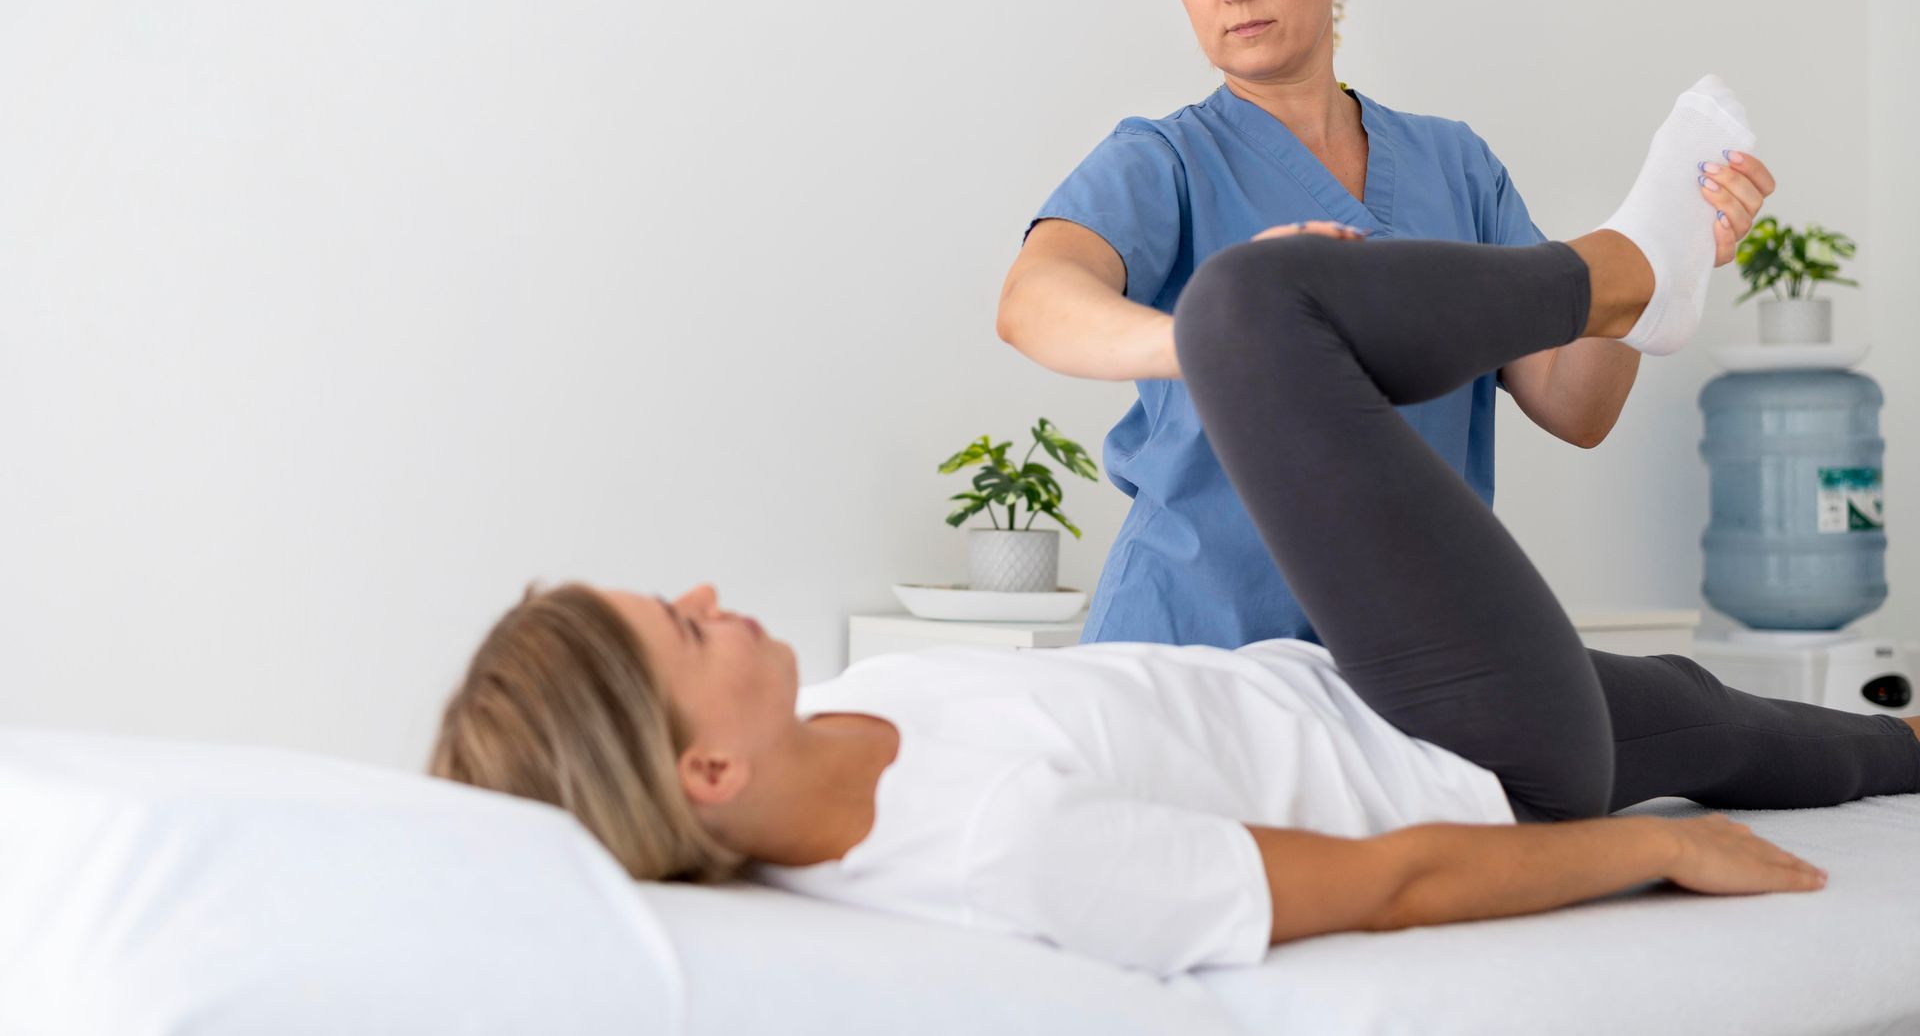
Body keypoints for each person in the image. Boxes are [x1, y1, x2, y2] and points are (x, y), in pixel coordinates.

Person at [431, 190, 1920, 977]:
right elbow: (1391, 883)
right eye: (683, 628)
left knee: (1720, 722)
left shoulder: (840, 709)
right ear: (703, 761)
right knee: (1247, 308)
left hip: (1357, 689)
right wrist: (1656, 856)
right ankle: (1632, 269)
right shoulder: (995, 845)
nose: (706, 591)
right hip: (1470, 755)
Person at [995, 0, 1778, 650]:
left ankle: (1644, 262)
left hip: (1407, 658)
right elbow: (1032, 301)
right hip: (1192, 643)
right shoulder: (1164, 161)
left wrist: (1663, 269)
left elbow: (1574, 404)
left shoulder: (1456, 166)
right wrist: (1219, 334)